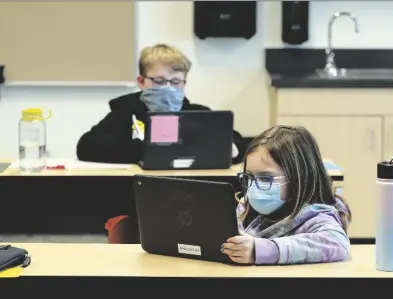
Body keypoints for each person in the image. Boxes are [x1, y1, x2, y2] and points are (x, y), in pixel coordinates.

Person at [76, 43, 247, 164]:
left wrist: (232, 149)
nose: (168, 88)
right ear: (141, 81)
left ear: (184, 83)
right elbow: (86, 147)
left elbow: (239, 144)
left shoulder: (198, 114)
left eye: (175, 82)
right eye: (159, 81)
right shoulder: (124, 113)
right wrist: (145, 149)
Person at [221, 125, 352, 265]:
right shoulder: (246, 208)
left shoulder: (314, 215)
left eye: (266, 178)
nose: (253, 187)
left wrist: (263, 250)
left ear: (298, 179)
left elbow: (337, 243)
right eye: (249, 177)